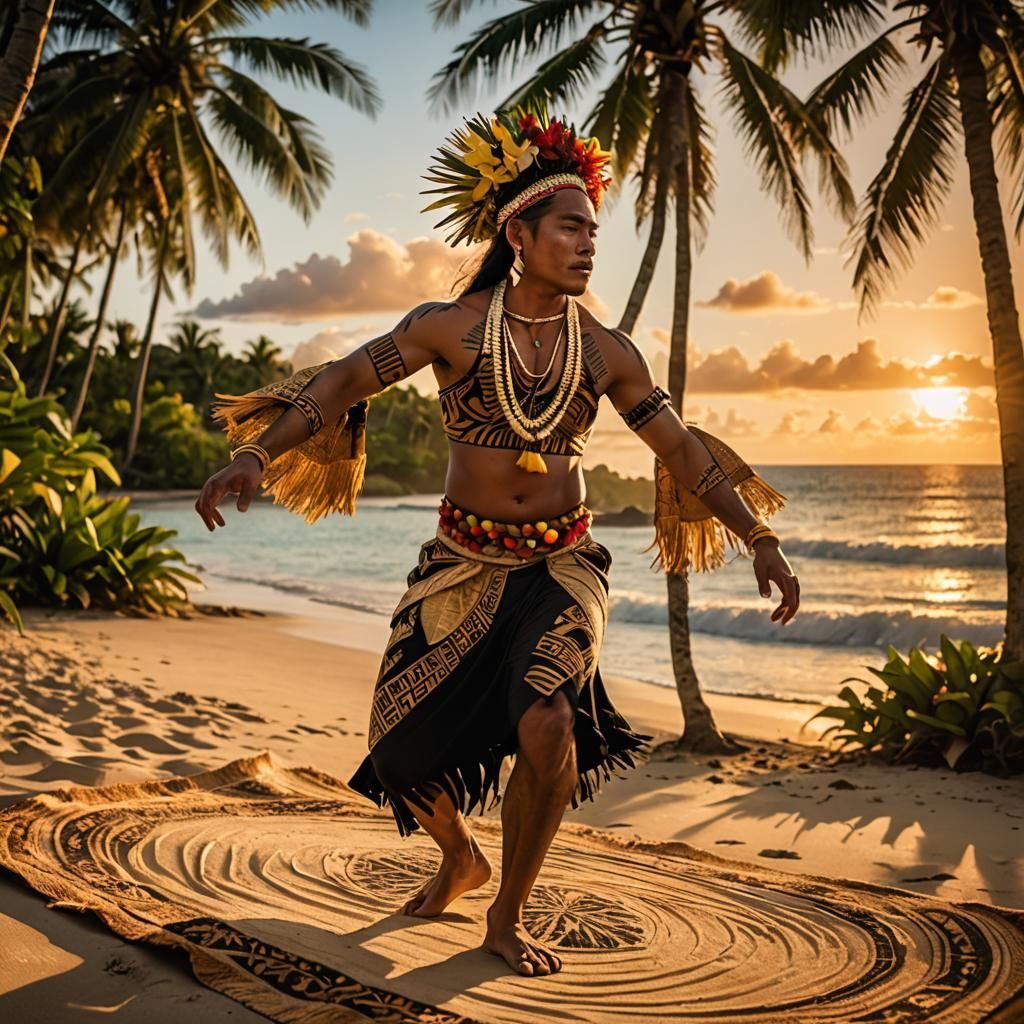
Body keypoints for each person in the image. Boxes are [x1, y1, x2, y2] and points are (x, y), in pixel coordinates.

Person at [195, 109, 801, 979]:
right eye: (571, 226)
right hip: (460, 559)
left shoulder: (606, 352)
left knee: (548, 720)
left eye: (595, 230)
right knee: (401, 756)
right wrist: (259, 452)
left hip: (564, 561)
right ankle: (460, 857)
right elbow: (344, 379)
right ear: (518, 232)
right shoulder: (448, 325)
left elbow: (681, 450)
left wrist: (759, 536)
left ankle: (506, 915)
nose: (589, 245)